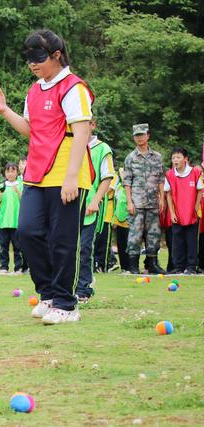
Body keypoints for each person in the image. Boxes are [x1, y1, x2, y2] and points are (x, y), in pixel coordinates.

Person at [0, 29, 93, 324]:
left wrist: (72, 177)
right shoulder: (34, 90)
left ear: (57, 56)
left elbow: (82, 131)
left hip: (65, 173)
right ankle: (47, 294)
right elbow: (31, 130)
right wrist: (4, 109)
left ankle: (66, 304)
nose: (33, 64)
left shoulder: (73, 88)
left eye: (39, 58)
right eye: (29, 59)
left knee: (62, 239)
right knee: (27, 232)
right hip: (36, 173)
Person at [76, 119, 114, 303]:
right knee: (68, 249)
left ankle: (84, 287)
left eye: (86, 123)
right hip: (72, 205)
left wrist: (95, 201)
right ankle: (70, 286)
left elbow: (107, 177)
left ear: (93, 125)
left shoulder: (102, 149)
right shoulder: (73, 145)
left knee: (84, 248)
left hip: (90, 206)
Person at [123, 123, 166, 275]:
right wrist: (129, 202)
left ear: (148, 135)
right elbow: (127, 182)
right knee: (135, 235)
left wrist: (162, 198)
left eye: (142, 135)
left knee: (154, 234)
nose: (139, 138)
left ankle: (152, 263)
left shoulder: (157, 157)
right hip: (137, 203)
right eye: (136, 135)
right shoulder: (130, 158)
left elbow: (161, 179)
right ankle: (133, 266)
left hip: (153, 202)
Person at [164, 147, 203, 274]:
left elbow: (200, 190)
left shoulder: (195, 172)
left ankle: (191, 266)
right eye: (173, 157)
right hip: (177, 214)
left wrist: (196, 208)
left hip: (191, 213)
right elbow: (168, 194)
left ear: (185, 159)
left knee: (191, 240)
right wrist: (172, 212)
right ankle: (178, 267)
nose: (175, 160)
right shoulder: (169, 174)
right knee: (177, 241)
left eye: (178, 157)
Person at [0, 162, 23, 274]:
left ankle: (18, 268)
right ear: (5, 173)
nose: (10, 174)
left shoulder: (21, 184)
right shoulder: (1, 187)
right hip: (4, 222)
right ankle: (4, 267)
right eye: (8, 171)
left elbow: (25, 201)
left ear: (16, 172)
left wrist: (18, 192)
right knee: (3, 247)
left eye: (13, 171)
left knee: (18, 247)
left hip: (17, 222)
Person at [113, 169, 131, 273]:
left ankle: (130, 266)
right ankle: (124, 267)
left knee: (128, 245)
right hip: (119, 219)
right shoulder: (119, 187)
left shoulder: (131, 187)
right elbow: (118, 204)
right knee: (121, 245)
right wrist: (114, 219)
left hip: (128, 219)